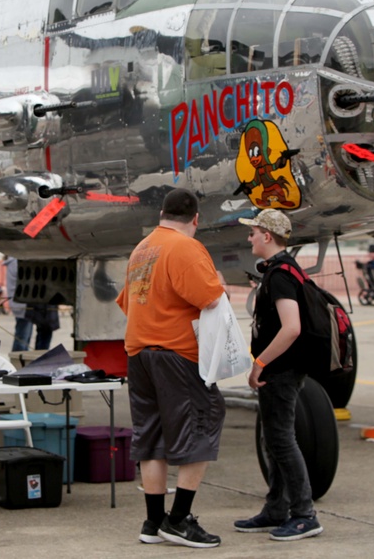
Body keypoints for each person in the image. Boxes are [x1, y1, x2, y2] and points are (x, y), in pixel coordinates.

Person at [116, 187, 225, 548]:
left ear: (161, 214)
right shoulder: (185, 247)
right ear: (196, 219)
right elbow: (210, 296)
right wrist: (221, 283)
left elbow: (127, 302)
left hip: (139, 352)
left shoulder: (141, 248)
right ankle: (179, 519)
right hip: (176, 352)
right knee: (202, 423)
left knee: (152, 438)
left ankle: (153, 521)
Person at [236, 209, 323, 542]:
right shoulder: (279, 271)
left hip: (281, 371)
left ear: (267, 236)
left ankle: (304, 515)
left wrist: (260, 362)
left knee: (282, 441)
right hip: (282, 369)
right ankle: (276, 509)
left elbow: (292, 328)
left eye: (253, 232)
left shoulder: (281, 275)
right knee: (273, 440)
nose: (250, 238)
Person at [4, 256, 34, 351]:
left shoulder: (14, 262)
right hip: (22, 305)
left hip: (22, 305)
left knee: (24, 338)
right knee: (22, 338)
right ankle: (17, 362)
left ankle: (21, 360)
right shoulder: (16, 262)